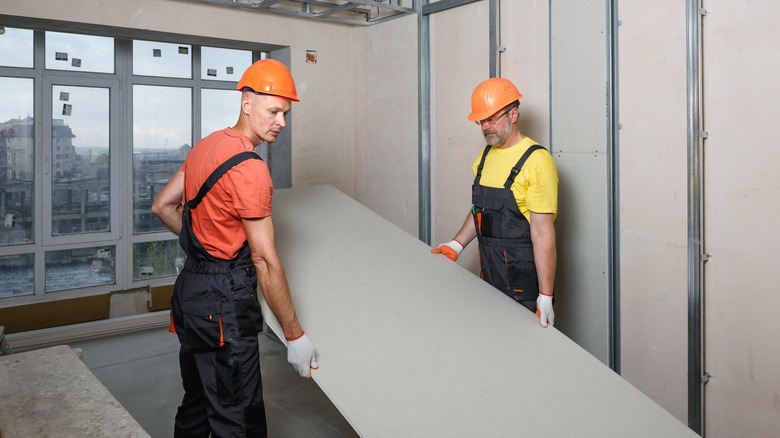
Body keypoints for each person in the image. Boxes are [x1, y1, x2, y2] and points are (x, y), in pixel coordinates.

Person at [152, 58, 317, 438]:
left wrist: (204, 249)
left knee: (196, 406)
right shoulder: (250, 168)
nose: (282, 122)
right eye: (274, 111)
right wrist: (295, 337)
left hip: (192, 296)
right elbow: (263, 258)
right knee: (238, 419)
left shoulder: (205, 146)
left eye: (286, 113)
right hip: (223, 306)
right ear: (247, 103)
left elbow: (162, 205)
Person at [431, 77, 558, 328]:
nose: (485, 126)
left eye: (492, 118)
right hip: (488, 275)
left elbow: (543, 233)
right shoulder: (486, 155)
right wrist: (457, 244)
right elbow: (480, 209)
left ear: (513, 114)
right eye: (481, 121)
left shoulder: (536, 161)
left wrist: (545, 295)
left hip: (524, 286)